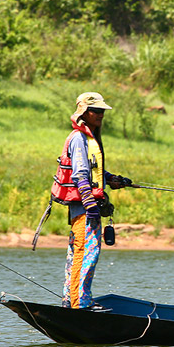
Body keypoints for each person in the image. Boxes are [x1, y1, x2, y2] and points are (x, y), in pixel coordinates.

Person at [53, 92, 131, 310]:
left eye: (102, 111)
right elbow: (79, 175)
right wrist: (90, 205)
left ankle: (72, 300)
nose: (100, 115)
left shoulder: (89, 138)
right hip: (85, 209)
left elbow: (93, 169)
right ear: (83, 113)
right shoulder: (79, 139)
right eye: (95, 111)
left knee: (80, 251)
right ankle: (80, 303)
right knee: (86, 252)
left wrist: (112, 179)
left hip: (87, 208)